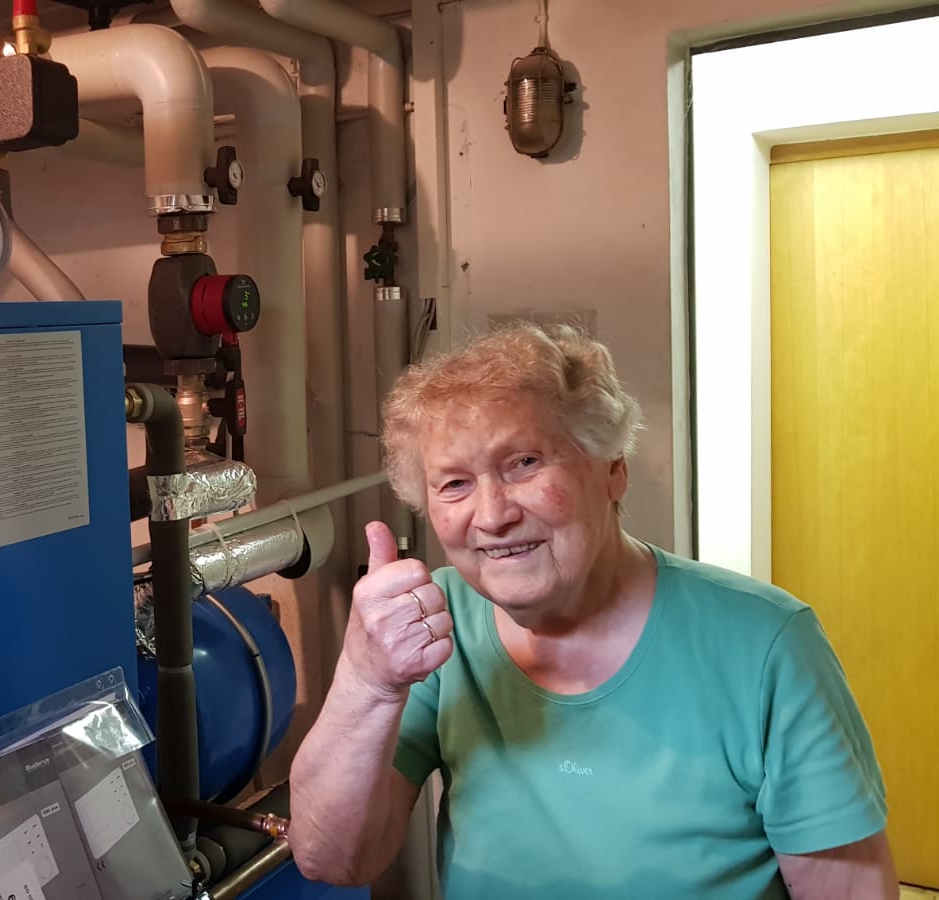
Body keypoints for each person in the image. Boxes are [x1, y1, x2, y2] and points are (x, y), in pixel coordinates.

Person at [288, 322, 895, 899]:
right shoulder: (435, 625)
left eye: (525, 463)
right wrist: (367, 680)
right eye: (454, 484)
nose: (493, 515)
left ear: (614, 469)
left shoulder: (765, 644)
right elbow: (331, 858)